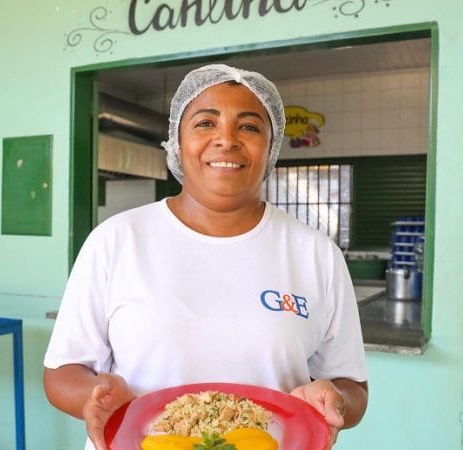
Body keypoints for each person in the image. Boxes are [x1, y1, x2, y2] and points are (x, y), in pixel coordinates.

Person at [43, 64, 369, 450]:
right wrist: (93, 395)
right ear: (177, 142)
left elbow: (352, 386)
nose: (226, 140)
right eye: (205, 123)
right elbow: (62, 373)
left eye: (249, 126)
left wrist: (337, 402)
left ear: (272, 147)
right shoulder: (116, 241)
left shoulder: (315, 254)